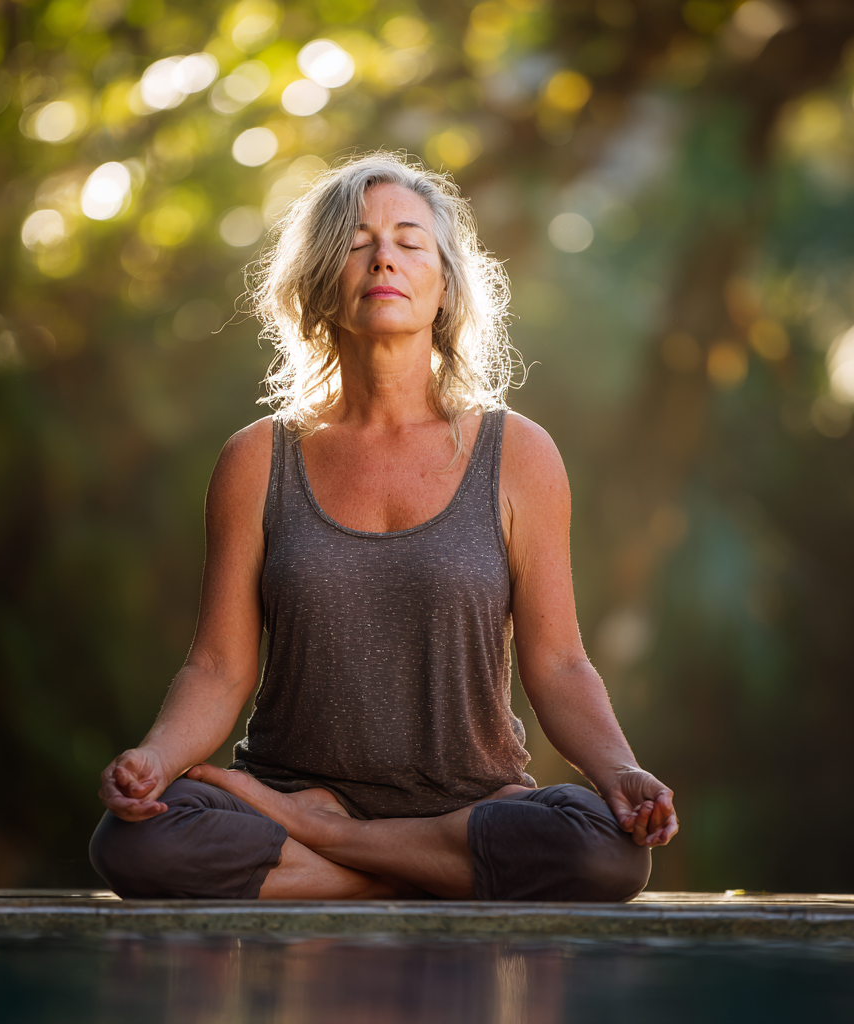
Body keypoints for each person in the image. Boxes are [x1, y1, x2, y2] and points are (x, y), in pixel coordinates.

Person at [90, 153, 678, 902]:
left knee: (607, 855)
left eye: (409, 240)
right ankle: (412, 873)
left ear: (445, 286)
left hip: (467, 806)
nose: (384, 258)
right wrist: (154, 759)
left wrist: (621, 772)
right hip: (288, 790)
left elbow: (560, 665)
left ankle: (343, 851)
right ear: (321, 282)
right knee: (138, 845)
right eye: (358, 242)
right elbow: (217, 669)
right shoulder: (257, 459)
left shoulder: (517, 454)